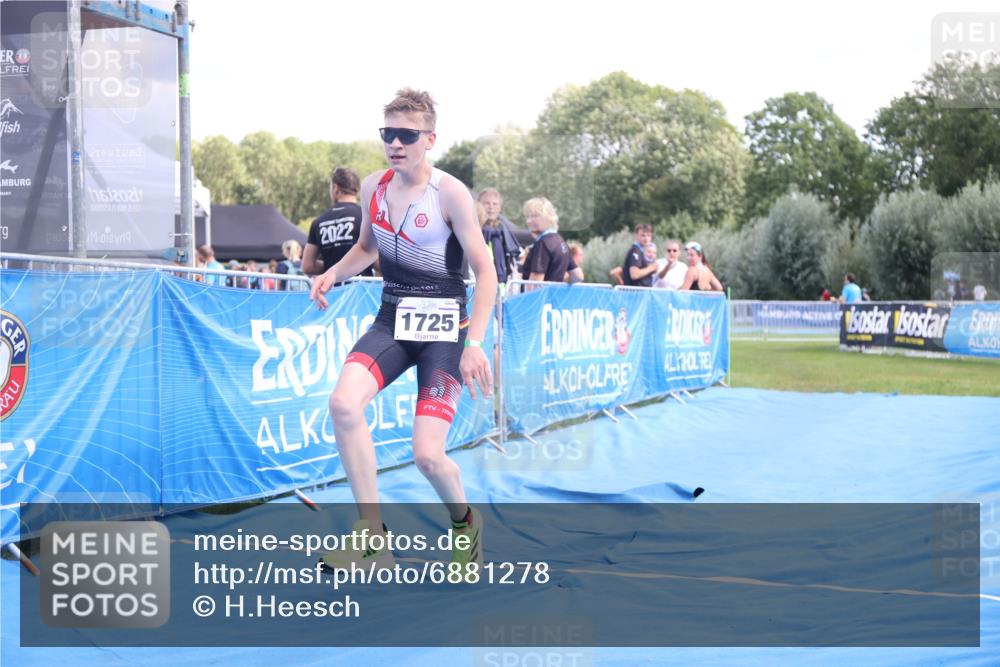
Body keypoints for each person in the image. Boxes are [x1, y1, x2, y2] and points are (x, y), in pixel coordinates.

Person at [310, 88, 496, 573]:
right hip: (392, 319)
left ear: (429, 139)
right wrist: (334, 273)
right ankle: (372, 537)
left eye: (406, 135)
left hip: (444, 332)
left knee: (428, 457)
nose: (395, 143)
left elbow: (487, 271)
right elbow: (368, 250)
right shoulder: (373, 187)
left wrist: (474, 343)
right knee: (343, 404)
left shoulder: (450, 193)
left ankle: (465, 523)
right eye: (387, 133)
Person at [303, 167, 376, 283]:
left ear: (335, 188)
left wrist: (332, 268)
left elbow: (308, 266)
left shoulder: (318, 222)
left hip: (332, 292)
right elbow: (378, 261)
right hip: (362, 292)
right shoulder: (367, 216)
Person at [520, 197, 580, 283]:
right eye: (527, 216)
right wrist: (558, 286)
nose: (528, 221)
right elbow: (578, 276)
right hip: (555, 295)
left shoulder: (543, 243)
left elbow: (534, 284)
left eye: (534, 216)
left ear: (547, 217)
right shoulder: (561, 241)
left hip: (541, 296)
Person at [478, 188, 522, 285]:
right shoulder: (473, 228)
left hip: (502, 284)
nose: (491, 207)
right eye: (487, 203)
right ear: (479, 205)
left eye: (495, 204)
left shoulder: (505, 231)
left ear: (500, 208)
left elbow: (515, 255)